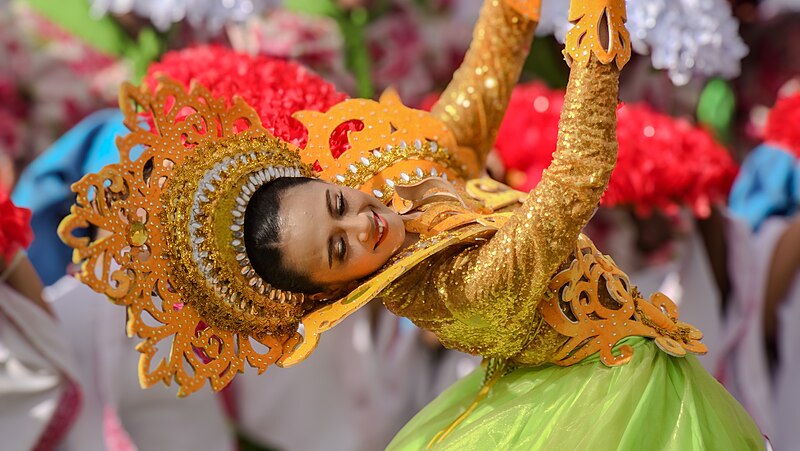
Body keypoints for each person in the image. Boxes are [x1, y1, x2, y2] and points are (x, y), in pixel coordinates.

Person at [59, 0, 763, 449]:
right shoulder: (454, 291)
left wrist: (514, 12)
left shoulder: (390, 179)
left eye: (336, 204)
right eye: (339, 250)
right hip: (612, 403)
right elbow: (574, 182)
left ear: (326, 177)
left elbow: (479, 93)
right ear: (333, 289)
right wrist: (594, 43)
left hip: (628, 372)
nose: (360, 223)